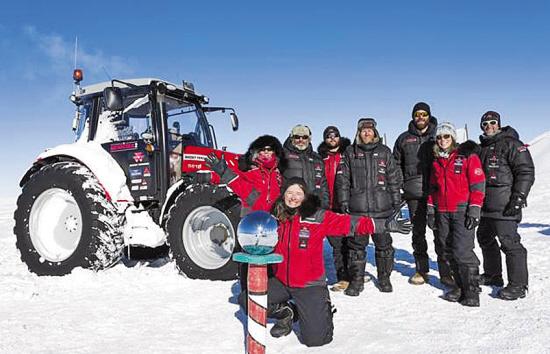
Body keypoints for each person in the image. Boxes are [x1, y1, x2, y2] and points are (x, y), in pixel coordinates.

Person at [267, 177, 411, 346]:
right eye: (289, 192)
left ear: (305, 196)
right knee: (247, 298)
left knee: (316, 340)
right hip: (282, 281)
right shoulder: (276, 217)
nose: (293, 197)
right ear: (283, 195)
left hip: (309, 285)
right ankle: (287, 311)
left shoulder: (316, 216)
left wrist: (384, 225)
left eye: (298, 193)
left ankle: (322, 308)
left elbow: (350, 223)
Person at [204, 135, 286, 292]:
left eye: (270, 150)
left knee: (272, 260)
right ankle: (247, 292)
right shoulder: (250, 172)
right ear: (256, 153)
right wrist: (219, 172)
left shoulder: (278, 175)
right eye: (262, 150)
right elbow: (235, 181)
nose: (266, 153)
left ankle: (270, 292)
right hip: (251, 223)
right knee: (249, 260)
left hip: (271, 225)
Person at [335, 118, 402, 295]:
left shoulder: (385, 152)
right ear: (358, 133)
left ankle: (384, 278)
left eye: (369, 130)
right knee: (356, 248)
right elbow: (342, 180)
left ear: (375, 132)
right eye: (363, 130)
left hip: (382, 209)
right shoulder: (350, 152)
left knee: (384, 246)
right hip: (358, 210)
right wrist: (343, 201)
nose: (366, 133)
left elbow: (394, 179)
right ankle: (356, 281)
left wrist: (396, 202)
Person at [476, 111, 535, 300]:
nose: (489, 126)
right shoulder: (481, 148)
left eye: (493, 123)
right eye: (485, 124)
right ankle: (493, 275)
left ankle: (518, 285)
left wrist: (518, 199)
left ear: (499, 124)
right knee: (484, 238)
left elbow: (525, 172)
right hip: (484, 206)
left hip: (505, 206)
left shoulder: (512, 144)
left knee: (510, 243)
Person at [393, 102, 453, 286]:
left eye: (424, 114)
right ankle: (421, 269)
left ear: (429, 116)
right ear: (413, 116)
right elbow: (395, 164)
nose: (420, 117)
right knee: (418, 234)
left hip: (438, 192)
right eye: (417, 114)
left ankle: (446, 271)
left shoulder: (439, 135)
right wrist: (403, 183)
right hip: (414, 194)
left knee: (441, 233)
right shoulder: (404, 139)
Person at [427, 122, 485, 307]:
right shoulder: (436, 160)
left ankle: (472, 291)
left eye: (446, 136)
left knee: (463, 250)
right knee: (447, 249)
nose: (442, 140)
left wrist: (474, 208)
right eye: (439, 137)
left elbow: (478, 184)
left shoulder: (466, 156)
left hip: (461, 210)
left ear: (453, 138)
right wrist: (430, 209)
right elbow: (432, 188)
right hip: (442, 211)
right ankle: (459, 287)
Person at [317, 126, 352, 292]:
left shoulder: (349, 153)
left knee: (352, 242)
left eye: (335, 135)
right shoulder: (320, 158)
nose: (332, 138)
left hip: (347, 204)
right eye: (328, 136)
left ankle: (354, 273)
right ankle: (343, 277)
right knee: (337, 244)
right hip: (328, 206)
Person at [281, 124, 330, 208]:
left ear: (309, 139)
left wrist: (325, 203)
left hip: (313, 206)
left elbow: (323, 184)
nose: (301, 140)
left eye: (304, 137)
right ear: (291, 138)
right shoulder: (283, 155)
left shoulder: (317, 158)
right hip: (291, 205)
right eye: (297, 137)